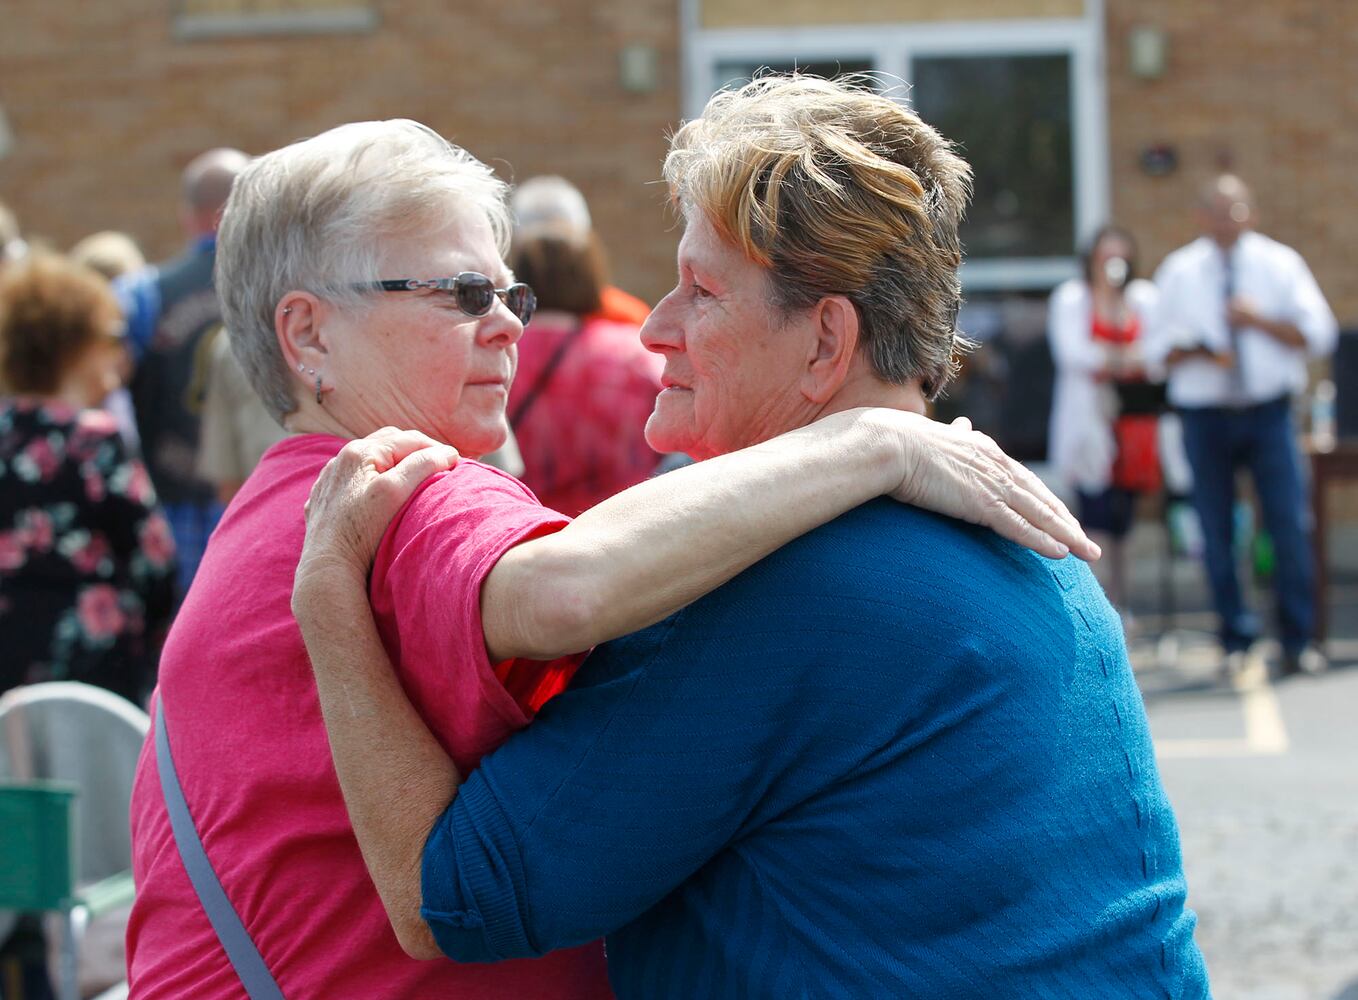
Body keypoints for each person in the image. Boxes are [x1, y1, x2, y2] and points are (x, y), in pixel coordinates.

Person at [124, 117, 1089, 999]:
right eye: (460, 294)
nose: (506, 321)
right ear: (307, 334)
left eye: (507, 290)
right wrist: (877, 441)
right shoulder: (402, 494)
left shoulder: (277, 511)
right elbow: (566, 589)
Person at [1146, 175, 1337, 678]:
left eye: (1236, 210)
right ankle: (1236, 637)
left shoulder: (1280, 264)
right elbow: (1152, 353)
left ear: (1250, 213)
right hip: (1205, 416)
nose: (1227, 220)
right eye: (1217, 210)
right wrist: (1198, 350)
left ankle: (1297, 638)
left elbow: (1319, 334)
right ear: (1201, 216)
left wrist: (1258, 322)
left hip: (1269, 411)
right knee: (1215, 527)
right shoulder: (1180, 271)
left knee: (1288, 523)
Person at [0, 252, 175, 702]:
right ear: (74, 343)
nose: (121, 353)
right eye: (112, 336)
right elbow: (155, 565)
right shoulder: (94, 439)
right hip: (92, 672)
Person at [114, 148, 249, 594]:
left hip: (169, 507)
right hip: (265, 507)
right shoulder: (291, 296)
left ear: (187, 216)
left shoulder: (141, 295)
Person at [508, 221, 663, 514]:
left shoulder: (498, 353)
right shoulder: (635, 355)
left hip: (523, 530)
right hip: (626, 527)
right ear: (592, 276)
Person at [1048, 225, 1162, 618]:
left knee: (1124, 519)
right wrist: (1123, 357)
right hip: (1089, 423)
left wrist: (1123, 355)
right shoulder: (1072, 299)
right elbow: (1074, 354)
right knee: (1094, 514)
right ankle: (1097, 609)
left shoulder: (1142, 299)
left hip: (1131, 424)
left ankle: (1123, 603)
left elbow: (1159, 352)